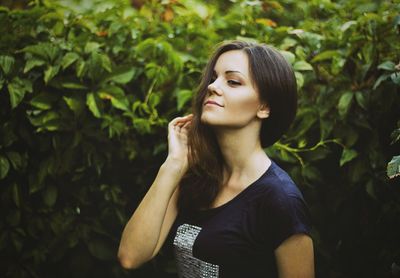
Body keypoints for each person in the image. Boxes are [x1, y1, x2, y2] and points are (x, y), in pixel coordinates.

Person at [118, 40, 314, 277]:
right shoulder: (194, 175)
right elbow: (131, 256)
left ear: (264, 106)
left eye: (232, 81)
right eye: (213, 78)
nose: (213, 87)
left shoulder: (281, 199)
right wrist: (174, 164)